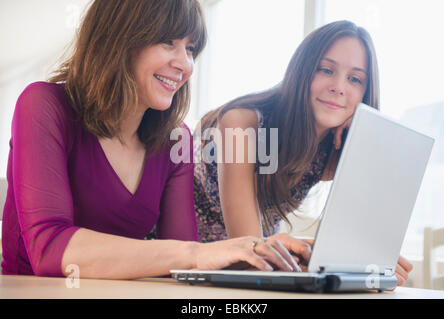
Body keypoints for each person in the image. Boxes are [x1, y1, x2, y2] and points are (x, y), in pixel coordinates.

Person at [1, 0, 312, 279]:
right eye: (167, 42)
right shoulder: (43, 104)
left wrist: (262, 253)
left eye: (190, 48)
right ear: (119, 39)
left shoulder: (175, 139)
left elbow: (180, 263)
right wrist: (194, 253)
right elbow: (50, 249)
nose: (186, 64)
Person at [193, 20, 413, 285]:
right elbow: (250, 251)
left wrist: (365, 136)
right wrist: (322, 253)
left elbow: (365, 232)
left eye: (355, 79)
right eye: (325, 70)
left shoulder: (330, 150)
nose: (339, 87)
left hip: (257, 273)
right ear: (302, 71)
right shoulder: (242, 122)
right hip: (184, 262)